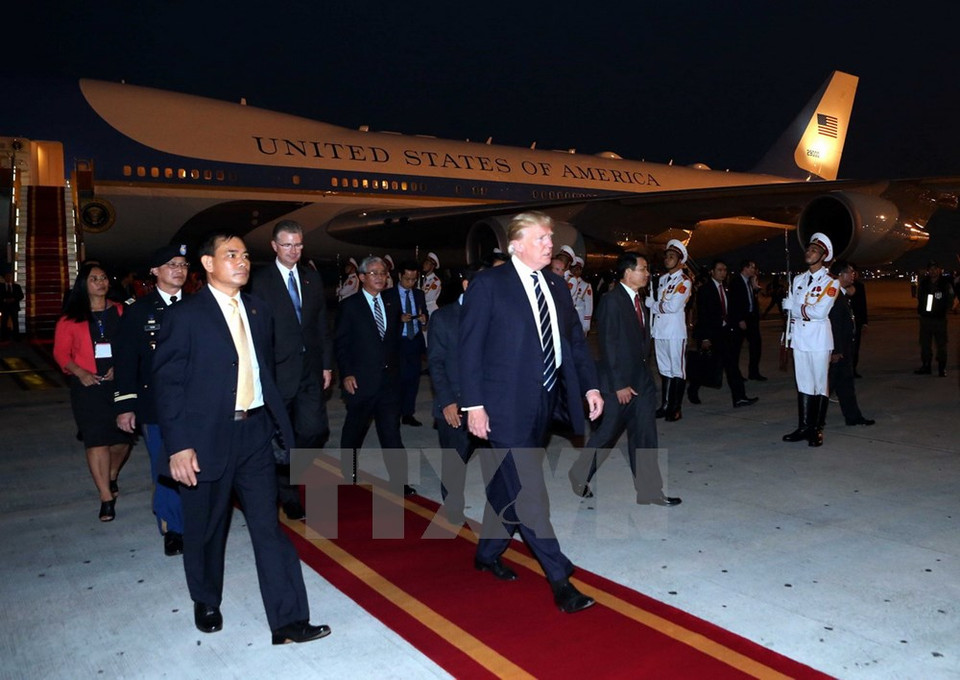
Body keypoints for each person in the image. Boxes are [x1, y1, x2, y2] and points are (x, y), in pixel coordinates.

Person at [153, 231, 329, 644]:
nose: (242, 261)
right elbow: (169, 384)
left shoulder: (257, 309)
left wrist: (279, 424)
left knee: (268, 527)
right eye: (230, 254)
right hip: (205, 437)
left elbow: (262, 370)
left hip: (254, 433)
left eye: (246, 255)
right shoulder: (186, 315)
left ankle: (287, 621)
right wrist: (178, 445)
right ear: (208, 264)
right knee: (207, 528)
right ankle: (206, 599)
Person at [460, 211, 604, 614]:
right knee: (530, 492)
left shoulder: (557, 286)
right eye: (541, 238)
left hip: (545, 402)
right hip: (502, 407)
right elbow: (468, 349)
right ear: (515, 245)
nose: (550, 245)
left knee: (509, 484)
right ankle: (560, 579)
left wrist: (590, 386)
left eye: (550, 237)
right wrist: (474, 405)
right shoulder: (490, 285)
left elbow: (574, 341)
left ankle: (487, 552)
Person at [567, 252, 681, 506]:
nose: (647, 273)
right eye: (643, 268)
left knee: (645, 437)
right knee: (606, 434)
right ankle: (579, 472)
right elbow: (608, 344)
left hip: (641, 382)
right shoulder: (611, 301)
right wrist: (619, 384)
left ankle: (650, 491)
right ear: (628, 273)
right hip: (618, 385)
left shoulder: (640, 301)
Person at [249, 220, 334, 521]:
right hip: (277, 374)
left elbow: (321, 325)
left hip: (310, 371)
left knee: (315, 430)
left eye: (298, 244)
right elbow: (256, 332)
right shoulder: (260, 281)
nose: (293, 250)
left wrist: (326, 363)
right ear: (274, 246)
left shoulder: (311, 278)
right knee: (280, 438)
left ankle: (287, 468)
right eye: (287, 245)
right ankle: (288, 493)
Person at [113, 244, 188, 555]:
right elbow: (127, 361)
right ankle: (174, 528)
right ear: (155, 271)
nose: (179, 270)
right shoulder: (138, 311)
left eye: (184, 264)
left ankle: (195, 519)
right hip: (156, 405)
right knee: (166, 465)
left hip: (196, 404)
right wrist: (125, 405)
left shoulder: (199, 306)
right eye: (172, 264)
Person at [53, 263, 133, 521]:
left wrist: (119, 368)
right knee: (96, 439)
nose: (100, 282)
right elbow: (61, 353)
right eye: (94, 279)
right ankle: (105, 497)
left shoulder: (122, 311)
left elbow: (132, 347)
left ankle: (111, 475)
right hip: (87, 387)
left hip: (119, 385)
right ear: (84, 285)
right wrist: (80, 372)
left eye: (103, 278)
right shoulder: (70, 318)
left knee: (122, 439)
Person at [335, 256, 414, 495]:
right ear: (361, 277)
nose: (380, 277)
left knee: (391, 432)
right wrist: (346, 374)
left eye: (383, 273)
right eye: (374, 273)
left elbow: (392, 344)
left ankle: (399, 482)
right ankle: (349, 473)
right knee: (354, 430)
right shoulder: (350, 306)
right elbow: (341, 343)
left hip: (389, 383)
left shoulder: (391, 304)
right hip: (361, 381)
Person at [427, 267, 481, 524]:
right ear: (467, 284)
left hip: (489, 403)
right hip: (456, 402)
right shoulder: (443, 318)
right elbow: (435, 363)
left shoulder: (494, 315)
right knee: (455, 458)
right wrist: (447, 401)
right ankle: (453, 507)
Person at [781, 232, 841, 447]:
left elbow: (819, 311)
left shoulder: (831, 282)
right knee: (804, 383)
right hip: (799, 338)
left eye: (814, 250)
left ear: (823, 256)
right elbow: (795, 313)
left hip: (818, 339)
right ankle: (804, 426)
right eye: (808, 249)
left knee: (819, 385)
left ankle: (817, 429)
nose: (809, 252)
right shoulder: (798, 279)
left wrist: (794, 307)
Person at [687, 260, 758, 408]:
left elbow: (729, 310)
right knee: (706, 365)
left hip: (725, 334)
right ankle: (693, 389)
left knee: (732, 366)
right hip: (711, 334)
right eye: (719, 270)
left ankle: (739, 397)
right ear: (712, 272)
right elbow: (703, 314)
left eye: (725, 270)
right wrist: (705, 337)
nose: (723, 273)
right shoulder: (705, 290)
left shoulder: (726, 288)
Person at [648, 239, 692, 422]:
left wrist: (653, 305)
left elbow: (673, 306)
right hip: (660, 331)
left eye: (672, 256)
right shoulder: (663, 279)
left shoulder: (684, 281)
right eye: (666, 256)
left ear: (680, 261)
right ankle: (665, 405)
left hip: (674, 332)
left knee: (677, 370)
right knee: (664, 369)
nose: (667, 259)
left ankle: (676, 408)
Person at [828, 261, 875, 426]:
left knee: (846, 385)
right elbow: (834, 325)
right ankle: (813, 421)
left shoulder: (842, 294)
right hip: (839, 351)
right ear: (841, 275)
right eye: (850, 272)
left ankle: (853, 417)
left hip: (845, 349)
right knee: (826, 388)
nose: (853, 274)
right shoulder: (834, 296)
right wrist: (836, 350)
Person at [384, 260, 428, 427]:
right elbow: (383, 320)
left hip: (414, 341)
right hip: (398, 343)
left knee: (413, 380)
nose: (410, 282)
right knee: (397, 380)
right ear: (400, 276)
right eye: (407, 279)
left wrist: (424, 319)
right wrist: (398, 319)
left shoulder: (419, 294)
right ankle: (394, 413)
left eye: (413, 279)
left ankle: (408, 413)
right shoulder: (388, 295)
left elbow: (424, 312)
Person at [914, 260, 954, 377]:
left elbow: (950, 299)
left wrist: (944, 310)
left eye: (935, 269)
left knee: (941, 344)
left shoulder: (945, 284)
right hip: (926, 319)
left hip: (939, 319)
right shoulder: (924, 283)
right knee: (925, 344)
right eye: (931, 269)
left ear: (939, 270)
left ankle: (942, 368)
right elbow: (920, 298)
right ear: (928, 271)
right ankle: (926, 366)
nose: (933, 271)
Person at [729, 259, 766, 381]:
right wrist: (739, 319)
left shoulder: (750, 282)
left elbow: (752, 300)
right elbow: (734, 302)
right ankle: (736, 374)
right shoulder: (736, 282)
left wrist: (755, 288)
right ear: (745, 268)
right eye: (752, 267)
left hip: (751, 319)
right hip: (741, 319)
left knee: (756, 346)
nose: (754, 270)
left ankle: (753, 372)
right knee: (736, 348)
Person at [847, 263, 868, 377]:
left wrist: (865, 322)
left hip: (857, 321)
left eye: (855, 273)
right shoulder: (842, 285)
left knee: (855, 347)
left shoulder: (860, 286)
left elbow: (863, 305)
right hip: (846, 320)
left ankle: (853, 368)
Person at [567, 256, 593, 335]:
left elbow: (589, 305)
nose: (575, 271)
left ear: (581, 271)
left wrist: (586, 324)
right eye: (573, 269)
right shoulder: (566, 281)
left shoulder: (586, 286)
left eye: (578, 269)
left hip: (579, 317)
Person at [0, 271, 24, 341]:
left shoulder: (17, 286)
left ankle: (16, 337)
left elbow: (21, 296)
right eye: (7, 276)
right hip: (4, 307)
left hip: (14, 307)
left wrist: (14, 299)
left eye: (10, 276)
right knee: (4, 322)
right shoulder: (1, 286)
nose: (9, 278)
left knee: (15, 322)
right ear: (5, 278)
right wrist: (4, 300)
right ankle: (4, 337)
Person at [421, 252, 442, 316]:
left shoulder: (435, 281)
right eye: (425, 263)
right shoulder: (425, 279)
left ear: (432, 266)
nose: (424, 265)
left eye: (427, 263)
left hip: (431, 309)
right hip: (424, 307)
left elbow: (428, 297)